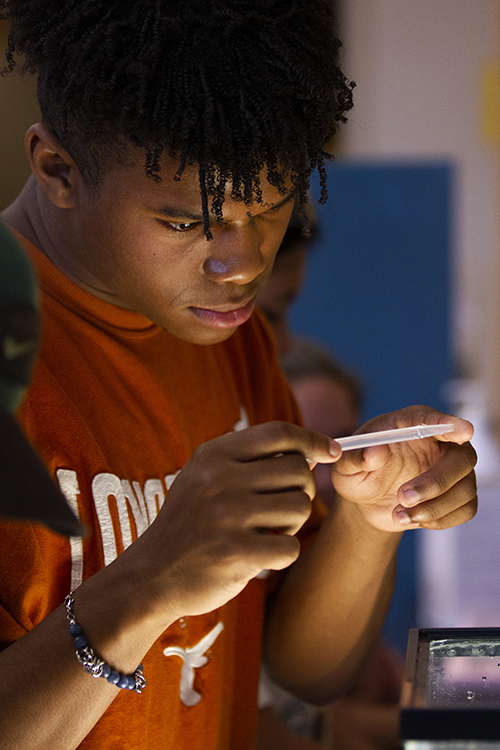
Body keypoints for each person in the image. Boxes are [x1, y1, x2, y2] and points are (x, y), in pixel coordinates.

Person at [0, 2, 477, 749]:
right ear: (57, 169)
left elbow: (303, 669)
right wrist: (148, 581)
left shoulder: (227, 335)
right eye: (187, 223)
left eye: (273, 205)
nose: (244, 264)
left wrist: (370, 518)